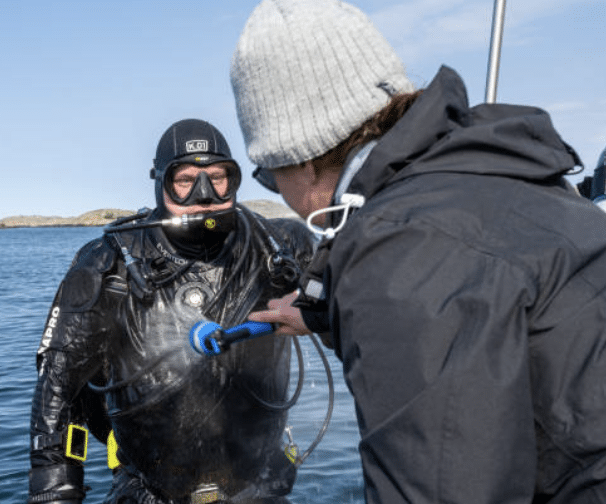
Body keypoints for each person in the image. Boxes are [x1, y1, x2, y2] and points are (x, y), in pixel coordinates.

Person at [229, 0, 606, 502]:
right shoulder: (507, 175)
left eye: (268, 174)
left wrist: (373, 289)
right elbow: (486, 309)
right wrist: (324, 314)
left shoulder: (400, 248)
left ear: (301, 157)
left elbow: (443, 487)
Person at [27, 118, 316, 504]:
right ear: (161, 183)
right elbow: (59, 389)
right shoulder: (110, 264)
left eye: (218, 178)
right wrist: (56, 492)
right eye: (185, 181)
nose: (204, 194)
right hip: (149, 489)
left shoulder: (280, 246)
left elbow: (363, 299)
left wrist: (320, 312)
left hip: (258, 486)